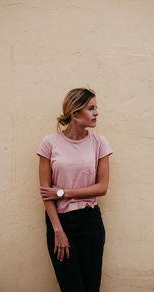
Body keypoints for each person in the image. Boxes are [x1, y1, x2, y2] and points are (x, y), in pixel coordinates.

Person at [36, 88, 113, 292]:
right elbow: (46, 193)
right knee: (71, 287)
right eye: (91, 108)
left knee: (91, 287)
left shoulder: (100, 143)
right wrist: (58, 231)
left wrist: (64, 192)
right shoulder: (49, 144)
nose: (96, 113)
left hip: (90, 221)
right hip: (59, 222)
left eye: (96, 108)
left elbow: (102, 187)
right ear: (75, 112)